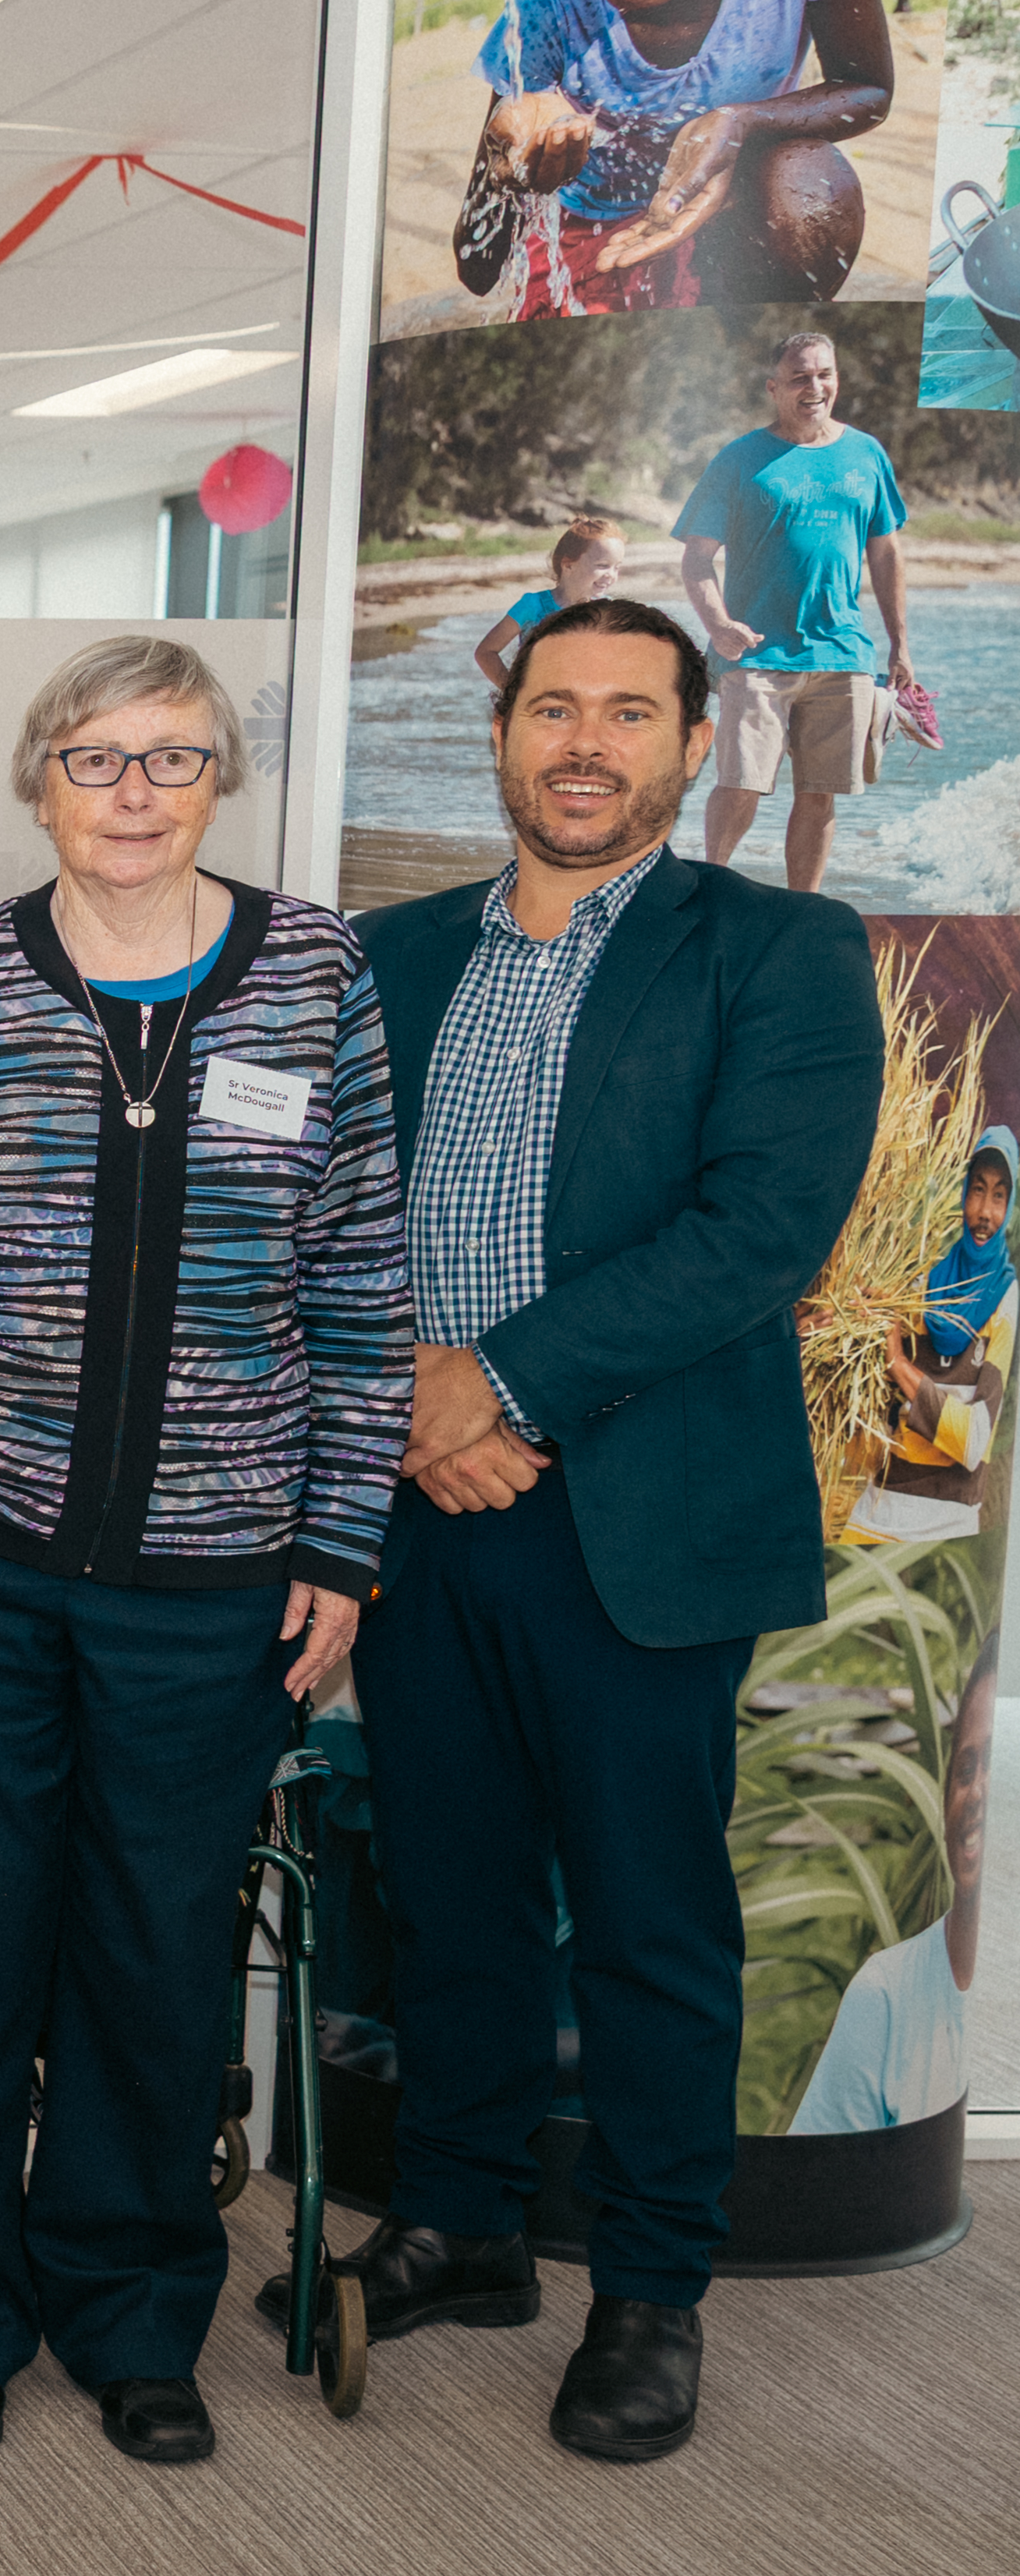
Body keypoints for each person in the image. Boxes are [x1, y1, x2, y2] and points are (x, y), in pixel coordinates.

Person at [0, 635, 409, 2468]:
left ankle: (133, 2313)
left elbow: (363, 1279)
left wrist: (343, 1536)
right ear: (37, 779)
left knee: (151, 1948)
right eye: (94, 757)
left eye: (170, 757)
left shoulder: (311, 977)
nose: (131, 791)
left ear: (219, 780)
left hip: (214, 1570)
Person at [317, 594, 879, 2465]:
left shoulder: (779, 951)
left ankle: (648, 2283)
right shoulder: (378, 955)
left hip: (631, 1516)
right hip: (417, 1509)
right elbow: (308, 1214)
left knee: (645, 1921)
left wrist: (499, 1386)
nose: (580, 741)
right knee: (448, 1893)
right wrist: (411, 1398)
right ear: (499, 735)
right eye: (549, 707)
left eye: (624, 712)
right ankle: (462, 2218)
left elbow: (753, 1233)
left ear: (689, 742)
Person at [452, 0, 892, 317]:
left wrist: (744, 122)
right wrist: (508, 176)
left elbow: (868, 87)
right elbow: (477, 266)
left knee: (811, 184)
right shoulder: (546, 11)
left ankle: (759, 333)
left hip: (732, 212)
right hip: (595, 236)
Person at [679, 327, 911, 896]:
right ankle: (713, 888)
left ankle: (800, 910)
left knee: (820, 791)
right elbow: (697, 560)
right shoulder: (740, 459)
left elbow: (885, 552)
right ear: (774, 388)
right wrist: (720, 627)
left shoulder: (866, 453)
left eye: (825, 374)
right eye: (801, 377)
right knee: (741, 783)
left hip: (843, 653)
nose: (816, 387)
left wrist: (900, 643)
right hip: (757, 653)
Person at [788, 1675, 985, 2131]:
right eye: (966, 1768)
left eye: (993, 1762)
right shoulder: (887, 1994)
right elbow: (821, 2183)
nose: (976, 1792)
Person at [856, 1127, 1015, 1538]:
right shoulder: (925, 1285)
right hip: (876, 1509)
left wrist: (899, 1365)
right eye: (977, 1190)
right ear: (963, 1195)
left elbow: (975, 1442)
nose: (984, 1212)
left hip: (943, 1527)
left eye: (999, 1195)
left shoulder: (1006, 1301)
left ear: (1010, 1206)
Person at [473, 518, 630, 691]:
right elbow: (486, 652)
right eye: (603, 566)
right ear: (568, 564)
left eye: (616, 568)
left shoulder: (608, 611)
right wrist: (513, 694)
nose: (611, 575)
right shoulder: (534, 605)